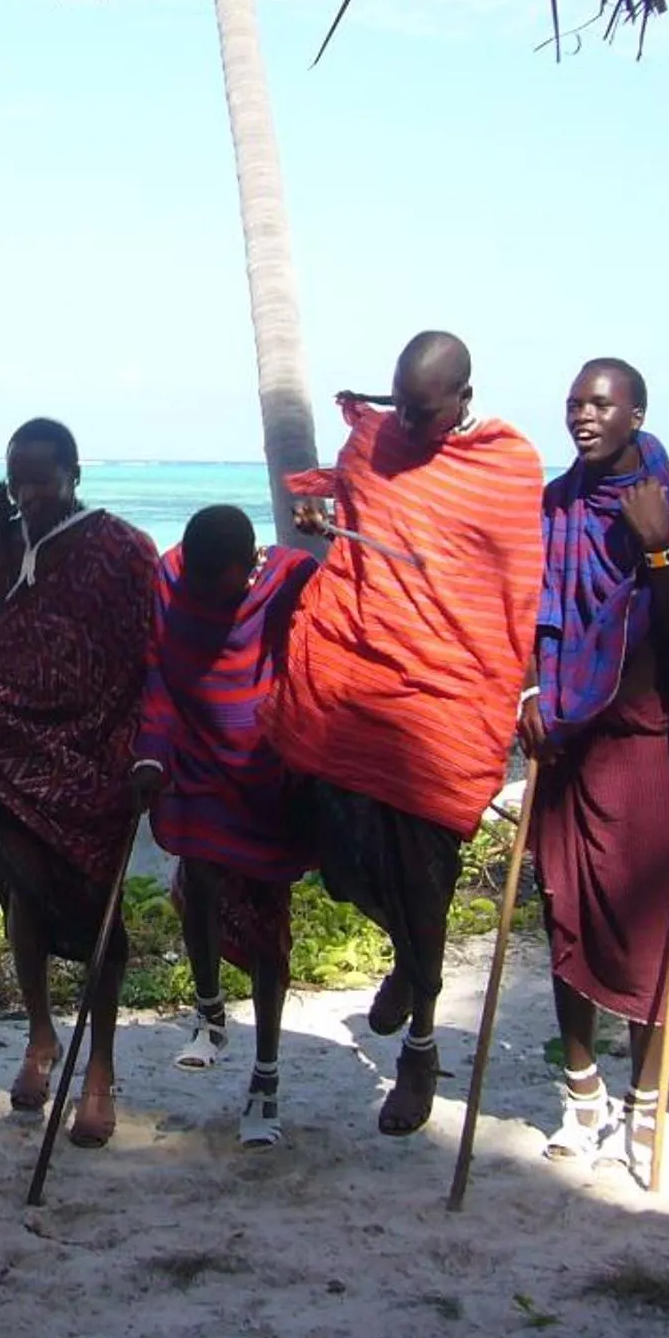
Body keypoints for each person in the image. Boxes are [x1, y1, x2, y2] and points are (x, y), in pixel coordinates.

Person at [263, 332, 545, 1136]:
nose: (412, 425)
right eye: (402, 407)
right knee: (339, 856)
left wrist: (524, 683)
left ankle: (419, 1049)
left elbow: (516, 587)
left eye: (427, 412)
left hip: (447, 701)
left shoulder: (505, 467)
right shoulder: (373, 444)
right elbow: (346, 527)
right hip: (359, 683)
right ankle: (405, 953)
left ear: (463, 395)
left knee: (426, 882)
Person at [0, 420, 160, 1151]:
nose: (30, 495)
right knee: (23, 895)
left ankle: (100, 1070)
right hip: (13, 755)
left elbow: (147, 655)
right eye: (19, 479)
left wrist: (143, 751)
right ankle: (39, 1035)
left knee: (101, 921)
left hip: (94, 762)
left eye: (43, 479)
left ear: (74, 473)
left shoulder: (125, 551)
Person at [524, 360, 669, 1184]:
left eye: (601, 403)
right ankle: (582, 1093)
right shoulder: (558, 502)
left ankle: (646, 1099)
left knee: (650, 931)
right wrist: (532, 691)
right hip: (568, 736)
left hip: (649, 736)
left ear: (636, 413)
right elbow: (533, 611)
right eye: (575, 402)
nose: (583, 415)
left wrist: (659, 551)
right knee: (560, 909)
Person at [137, 505, 319, 1147]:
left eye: (220, 583)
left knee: (270, 932)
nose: (204, 592)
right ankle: (210, 1012)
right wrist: (151, 751)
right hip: (195, 763)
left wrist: (331, 524)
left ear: (247, 573)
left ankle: (265, 1083)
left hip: (265, 774)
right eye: (198, 579)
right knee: (201, 882)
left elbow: (350, 603)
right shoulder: (169, 578)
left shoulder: (289, 577)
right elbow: (158, 670)